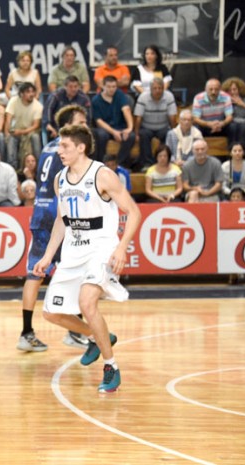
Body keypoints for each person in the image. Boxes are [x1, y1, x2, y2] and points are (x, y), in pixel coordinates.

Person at [33, 124, 142, 393]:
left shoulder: (102, 175)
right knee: (51, 312)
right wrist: (48, 256)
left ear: (81, 148)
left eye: (65, 146)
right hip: (73, 250)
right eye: (59, 145)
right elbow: (62, 220)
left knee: (86, 302)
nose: (59, 151)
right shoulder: (60, 179)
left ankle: (111, 367)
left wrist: (122, 247)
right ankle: (96, 335)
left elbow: (134, 212)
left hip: (101, 247)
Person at [17, 104, 89, 353]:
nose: (86, 126)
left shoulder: (49, 147)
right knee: (76, 271)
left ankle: (27, 333)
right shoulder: (69, 150)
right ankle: (74, 331)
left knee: (34, 274)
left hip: (41, 211)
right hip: (58, 215)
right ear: (69, 125)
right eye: (81, 122)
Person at [133, 77, 178, 169]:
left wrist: (175, 131)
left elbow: (172, 117)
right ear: (150, 89)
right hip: (147, 127)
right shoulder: (143, 97)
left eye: (160, 88)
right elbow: (138, 117)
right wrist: (136, 133)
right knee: (143, 135)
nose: (157, 90)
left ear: (163, 88)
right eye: (155, 88)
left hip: (163, 126)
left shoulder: (169, 96)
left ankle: (165, 162)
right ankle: (147, 164)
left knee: (169, 134)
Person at [92, 76, 135, 165]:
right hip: (105, 128)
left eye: (114, 87)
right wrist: (113, 132)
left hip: (120, 126)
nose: (111, 89)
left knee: (131, 136)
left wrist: (129, 128)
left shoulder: (119, 95)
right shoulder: (96, 100)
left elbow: (126, 110)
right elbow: (99, 121)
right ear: (103, 86)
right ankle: (101, 162)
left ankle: (119, 163)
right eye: (108, 87)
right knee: (101, 135)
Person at [5, 82, 43, 169]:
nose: (31, 94)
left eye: (33, 91)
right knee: (11, 139)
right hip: (16, 131)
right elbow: (8, 120)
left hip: (30, 132)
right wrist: (7, 133)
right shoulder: (13, 101)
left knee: (35, 137)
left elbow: (36, 125)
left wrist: (22, 132)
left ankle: (39, 166)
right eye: (28, 92)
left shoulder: (38, 106)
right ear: (21, 94)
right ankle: (12, 168)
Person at [43, 75, 91, 141]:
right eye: (70, 87)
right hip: (57, 128)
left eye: (76, 86)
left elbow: (88, 117)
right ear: (65, 86)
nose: (73, 89)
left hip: (78, 129)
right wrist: (49, 126)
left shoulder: (84, 98)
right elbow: (47, 111)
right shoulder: (56, 96)